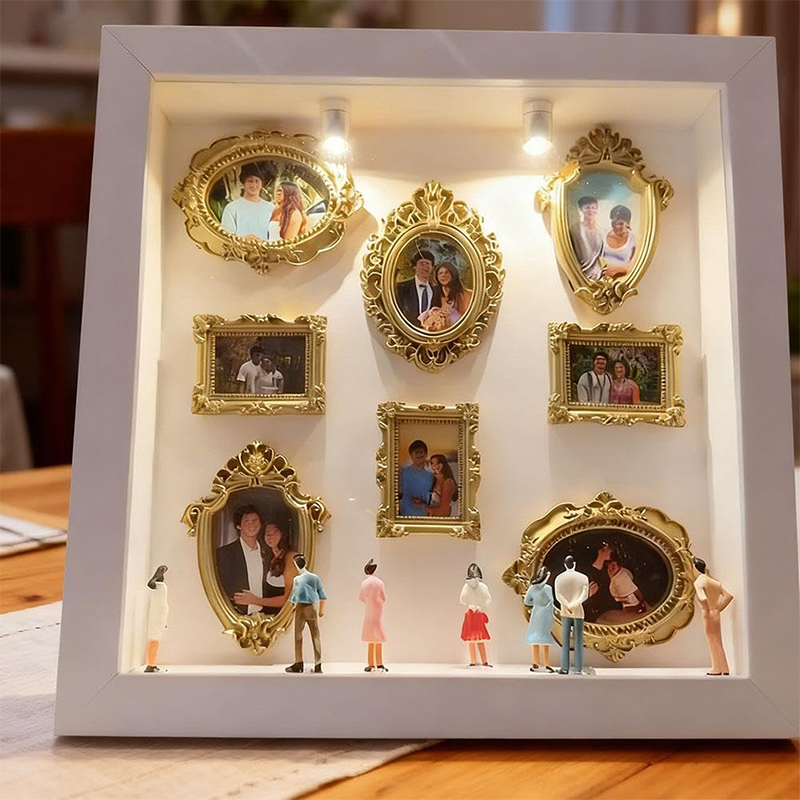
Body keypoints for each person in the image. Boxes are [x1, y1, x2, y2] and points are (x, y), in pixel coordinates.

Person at [234, 521, 298, 616]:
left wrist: (254, 600)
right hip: (265, 616)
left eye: (275, 532)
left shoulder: (290, 557)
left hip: (283, 618)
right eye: (267, 533)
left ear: (282, 533)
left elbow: (288, 599)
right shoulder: (267, 558)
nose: (270, 536)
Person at [215, 504, 266, 615]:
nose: (252, 524)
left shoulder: (269, 551)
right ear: (238, 526)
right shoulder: (224, 553)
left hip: (268, 615)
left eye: (255, 520)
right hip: (236, 616)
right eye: (247, 521)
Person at [285, 553, 327, 674]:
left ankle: (299, 662)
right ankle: (317, 663)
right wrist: (321, 610)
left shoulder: (298, 579)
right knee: (315, 634)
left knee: (299, 636)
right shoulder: (314, 577)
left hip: (302, 607)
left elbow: (295, 595)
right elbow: (322, 594)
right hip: (310, 607)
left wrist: (292, 607)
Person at [693, 556, 734, 676]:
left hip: (708, 615)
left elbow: (702, 597)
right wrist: (717, 609)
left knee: (712, 641)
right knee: (718, 641)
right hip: (715, 613)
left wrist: (706, 607)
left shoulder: (699, 582)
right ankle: (724, 668)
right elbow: (728, 596)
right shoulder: (713, 581)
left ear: (694, 567)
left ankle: (716, 668)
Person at [554, 555, 589, 675]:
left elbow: (558, 595)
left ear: (564, 565)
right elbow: (584, 595)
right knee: (578, 640)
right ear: (575, 564)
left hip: (565, 611)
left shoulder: (559, 578)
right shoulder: (583, 577)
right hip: (578, 611)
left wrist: (568, 605)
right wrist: (574, 605)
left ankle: (565, 668)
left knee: (565, 641)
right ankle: (578, 669)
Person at [220, 164, 274, 240]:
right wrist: (243, 239)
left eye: (257, 181)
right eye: (250, 181)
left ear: (262, 183)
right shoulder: (231, 208)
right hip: (240, 247)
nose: (254, 185)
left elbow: (275, 235)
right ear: (243, 183)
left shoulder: (271, 208)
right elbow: (226, 236)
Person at [419, 262, 473, 332]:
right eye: (440, 273)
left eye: (446, 272)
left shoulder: (465, 294)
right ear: (437, 277)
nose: (443, 275)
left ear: (453, 274)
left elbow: (466, 318)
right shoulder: (434, 293)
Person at [460, 563, 492, 667]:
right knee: (473, 640)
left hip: (476, 613)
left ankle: (482, 660)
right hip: (472, 613)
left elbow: (488, 599)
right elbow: (462, 600)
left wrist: (480, 607)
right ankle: (475, 660)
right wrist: (474, 605)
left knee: (478, 639)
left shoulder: (481, 587)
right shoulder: (467, 587)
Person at [524, 566, 555, 673]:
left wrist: (535, 603)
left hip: (536, 614)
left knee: (535, 638)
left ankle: (535, 663)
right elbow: (551, 601)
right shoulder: (548, 588)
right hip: (545, 614)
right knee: (545, 639)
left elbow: (527, 601)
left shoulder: (532, 588)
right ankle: (546, 664)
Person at [582, 541, 623, 623]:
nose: (605, 548)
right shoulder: (586, 572)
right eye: (605, 547)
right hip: (593, 616)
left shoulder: (606, 574)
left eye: (608, 548)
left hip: (609, 611)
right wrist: (588, 595)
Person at [359, 558, 388, 673]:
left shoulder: (364, 583)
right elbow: (383, 597)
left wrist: (369, 602)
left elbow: (361, 597)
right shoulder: (379, 583)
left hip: (369, 611)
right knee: (378, 639)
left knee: (370, 639)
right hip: (377, 611)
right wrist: (378, 601)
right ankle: (379, 664)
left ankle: (370, 664)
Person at [395, 250, 435, 327]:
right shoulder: (402, 288)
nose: (425, 267)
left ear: (432, 268)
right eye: (421, 263)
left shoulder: (436, 290)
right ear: (414, 267)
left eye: (427, 264)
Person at [569, 196, 604, 280]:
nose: (591, 210)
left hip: (599, 272)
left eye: (593, 208)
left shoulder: (601, 230)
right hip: (582, 272)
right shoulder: (576, 230)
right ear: (581, 210)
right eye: (587, 208)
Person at [414, 453, 458, 517]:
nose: (432, 466)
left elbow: (444, 511)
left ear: (441, 465)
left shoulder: (448, 482)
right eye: (431, 463)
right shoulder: (435, 480)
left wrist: (424, 507)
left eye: (433, 463)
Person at [144, 565, 168, 673]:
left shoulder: (161, 586)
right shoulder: (156, 587)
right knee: (154, 640)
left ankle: (152, 664)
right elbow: (150, 584)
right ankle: (151, 664)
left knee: (156, 640)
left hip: (160, 615)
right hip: (157, 617)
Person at [602, 205, 636, 279]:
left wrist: (614, 269)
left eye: (621, 224)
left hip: (621, 278)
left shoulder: (633, 240)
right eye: (617, 223)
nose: (617, 227)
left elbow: (634, 266)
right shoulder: (603, 235)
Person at [399, 440, 431, 517]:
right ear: (411, 456)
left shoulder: (431, 476)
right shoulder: (403, 472)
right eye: (416, 452)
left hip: (424, 517)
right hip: (405, 516)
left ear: (426, 454)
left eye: (421, 452)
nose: (419, 454)